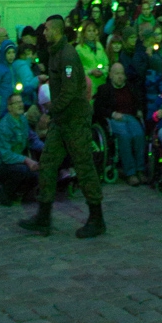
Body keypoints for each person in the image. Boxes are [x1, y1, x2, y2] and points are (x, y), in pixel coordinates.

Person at [20, 13, 105, 239]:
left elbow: (69, 89)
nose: (44, 32)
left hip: (74, 120)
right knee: (47, 163)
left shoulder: (67, 56)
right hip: (62, 120)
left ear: (56, 31)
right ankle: (43, 216)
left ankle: (97, 218)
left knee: (84, 166)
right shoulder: (55, 53)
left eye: (47, 29)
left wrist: (51, 110)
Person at [94, 62, 147, 184]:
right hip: (114, 118)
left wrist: (139, 110)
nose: (120, 76)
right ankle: (130, 172)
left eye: (122, 73)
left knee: (139, 135)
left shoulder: (131, 88)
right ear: (110, 75)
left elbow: (139, 102)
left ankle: (140, 169)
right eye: (117, 73)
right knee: (124, 136)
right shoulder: (104, 89)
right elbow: (98, 108)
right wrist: (112, 113)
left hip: (130, 117)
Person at [0, 92, 39, 204]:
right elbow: (6, 156)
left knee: (37, 172)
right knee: (21, 170)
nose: (20, 105)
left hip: (18, 160)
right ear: (9, 108)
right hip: (3, 164)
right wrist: (27, 160)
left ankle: (22, 194)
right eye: (16, 103)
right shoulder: (4, 127)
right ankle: (4, 194)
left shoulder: (23, 120)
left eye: (21, 101)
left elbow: (32, 138)